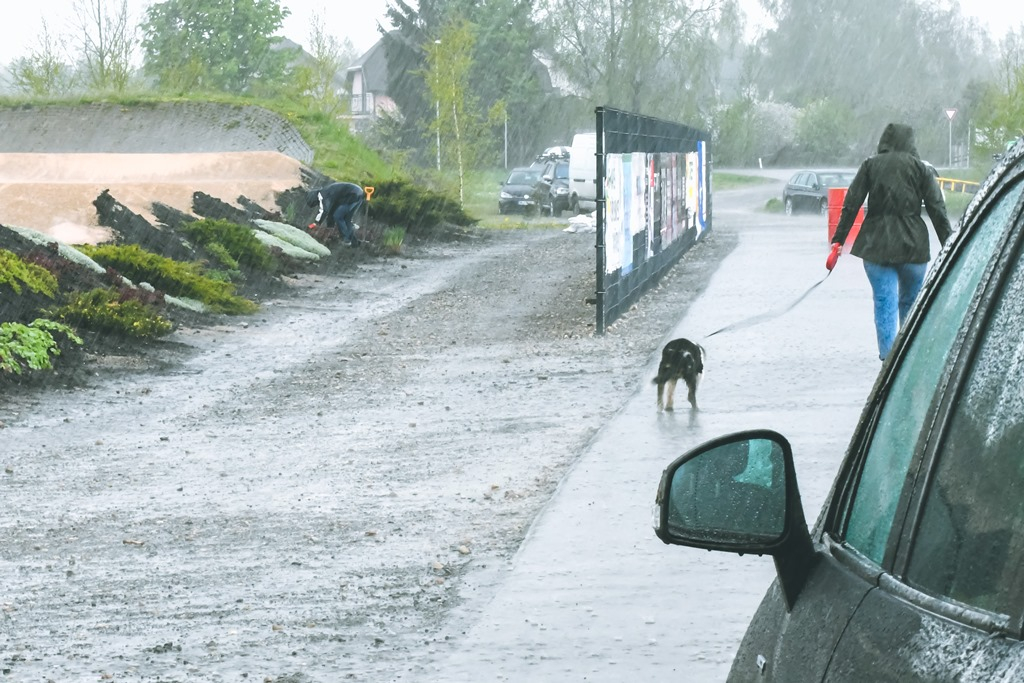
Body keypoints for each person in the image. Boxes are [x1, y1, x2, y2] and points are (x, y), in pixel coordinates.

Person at [830, 123, 953, 361]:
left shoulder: (870, 166)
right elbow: (938, 209)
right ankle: (908, 361)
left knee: (885, 302)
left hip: (876, 245)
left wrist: (838, 241)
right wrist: (950, 245)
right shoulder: (921, 169)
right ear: (911, 142)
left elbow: (851, 203)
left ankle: (888, 363)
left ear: (884, 141)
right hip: (914, 247)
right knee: (911, 304)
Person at [307, 181, 367, 246]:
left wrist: (316, 223)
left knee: (338, 216)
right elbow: (331, 212)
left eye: (316, 203)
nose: (318, 204)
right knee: (347, 219)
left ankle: (346, 240)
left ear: (314, 199)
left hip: (353, 195)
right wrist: (330, 227)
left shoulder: (322, 195)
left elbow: (324, 210)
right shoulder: (329, 192)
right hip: (358, 194)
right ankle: (354, 242)